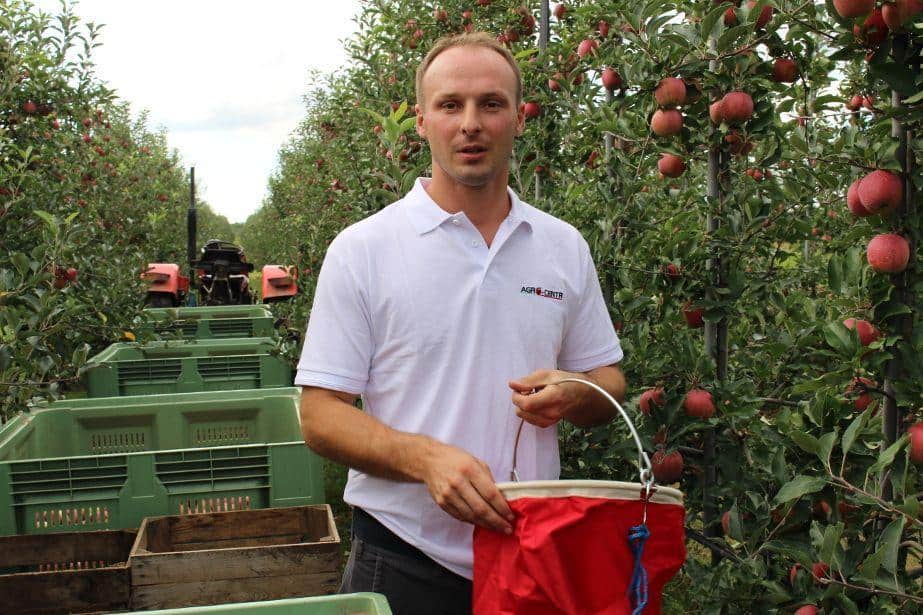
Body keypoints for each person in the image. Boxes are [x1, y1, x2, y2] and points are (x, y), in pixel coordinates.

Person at [295, 32, 626, 615]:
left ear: (520, 118)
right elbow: (320, 414)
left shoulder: (561, 246)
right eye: (451, 105)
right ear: (422, 121)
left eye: (491, 104)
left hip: (535, 551)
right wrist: (425, 460)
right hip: (405, 557)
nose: (470, 123)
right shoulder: (364, 250)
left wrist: (578, 393)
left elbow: (609, 383)